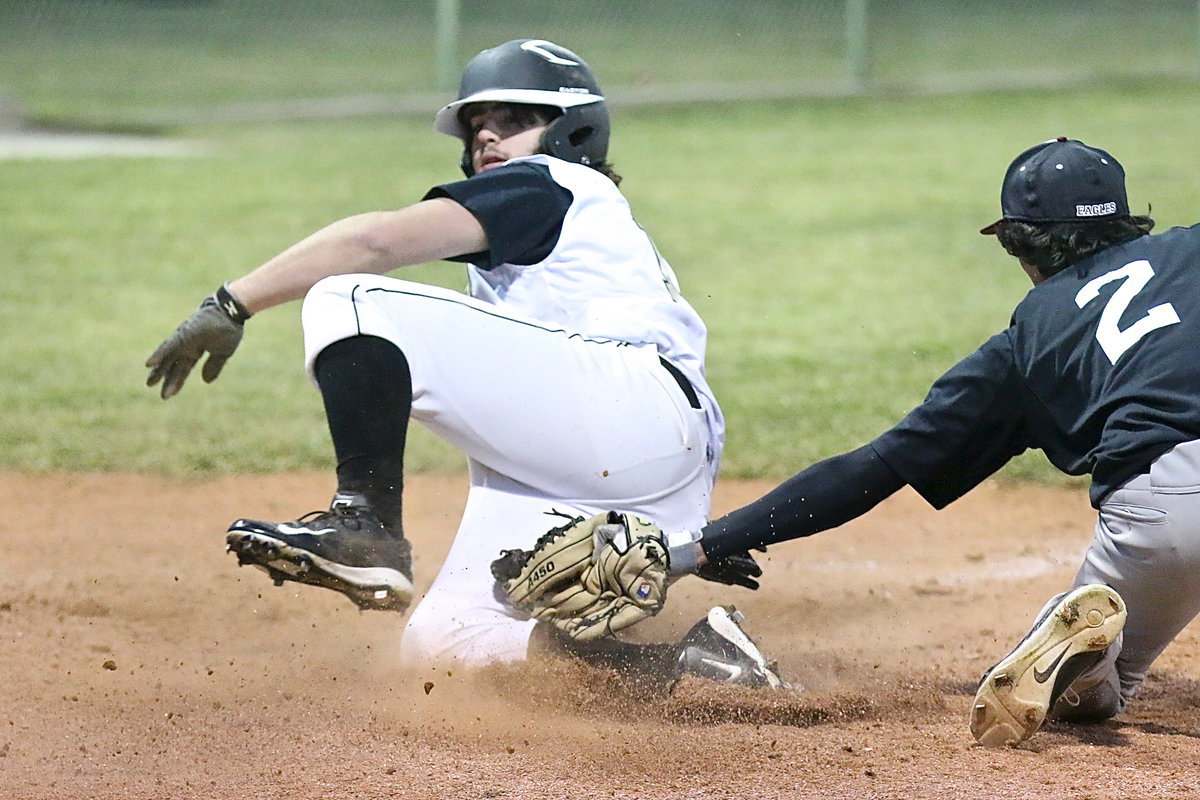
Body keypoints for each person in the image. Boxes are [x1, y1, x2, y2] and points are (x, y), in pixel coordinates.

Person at [144, 38, 781, 687]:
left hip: (629, 409)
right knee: (445, 646)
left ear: (573, 130)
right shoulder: (572, 239)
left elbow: (374, 241)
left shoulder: (552, 184)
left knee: (352, 294)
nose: (487, 137)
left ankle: (365, 526)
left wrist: (232, 303)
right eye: (477, 125)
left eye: (512, 120)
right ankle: (695, 668)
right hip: (629, 459)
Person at [664, 136, 1200, 745]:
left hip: (1166, 507)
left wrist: (700, 548)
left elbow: (871, 469)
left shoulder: (1023, 347)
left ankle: (1085, 664)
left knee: (1094, 696)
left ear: (1018, 243)